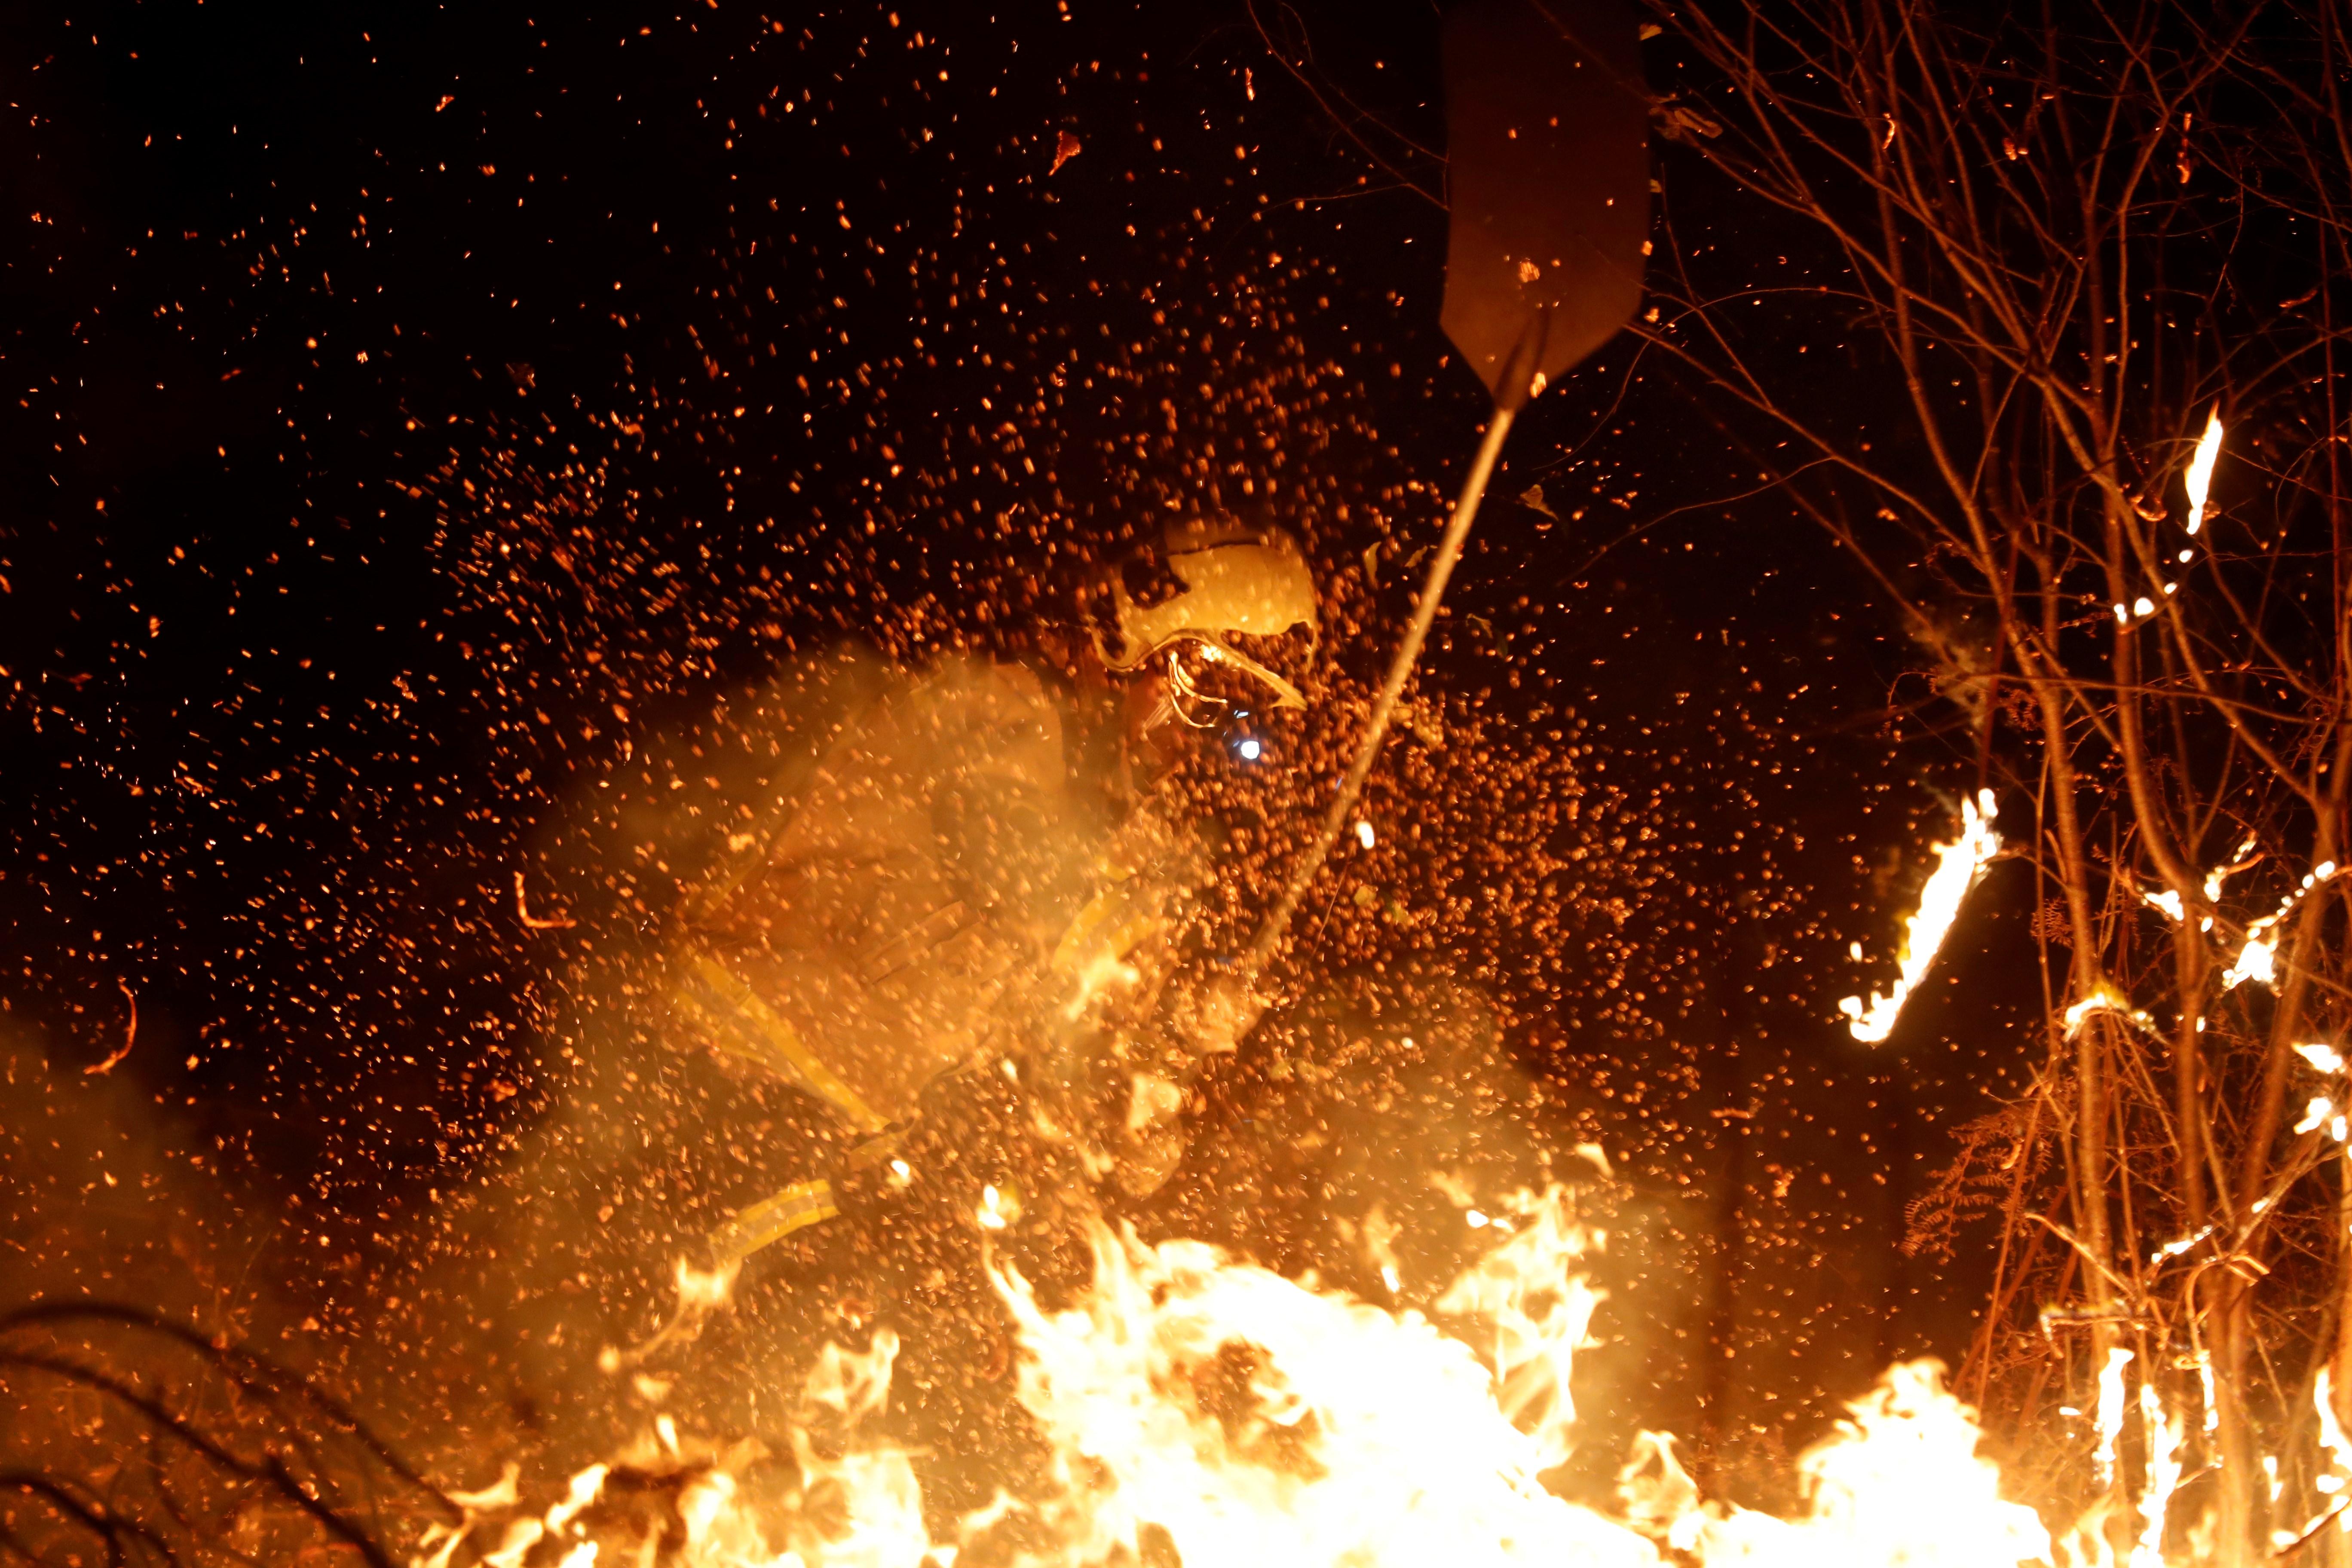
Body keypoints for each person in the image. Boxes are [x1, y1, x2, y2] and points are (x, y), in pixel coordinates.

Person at [661, 519, 1320, 1274]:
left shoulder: (1127, 836)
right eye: (1201, 691)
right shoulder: (1004, 717)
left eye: (1234, 712)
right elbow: (1022, 897)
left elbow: (1071, 1063)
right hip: (735, 1093)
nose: (1191, 740)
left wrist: (1165, 1057)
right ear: (1136, 644)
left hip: (858, 1171)